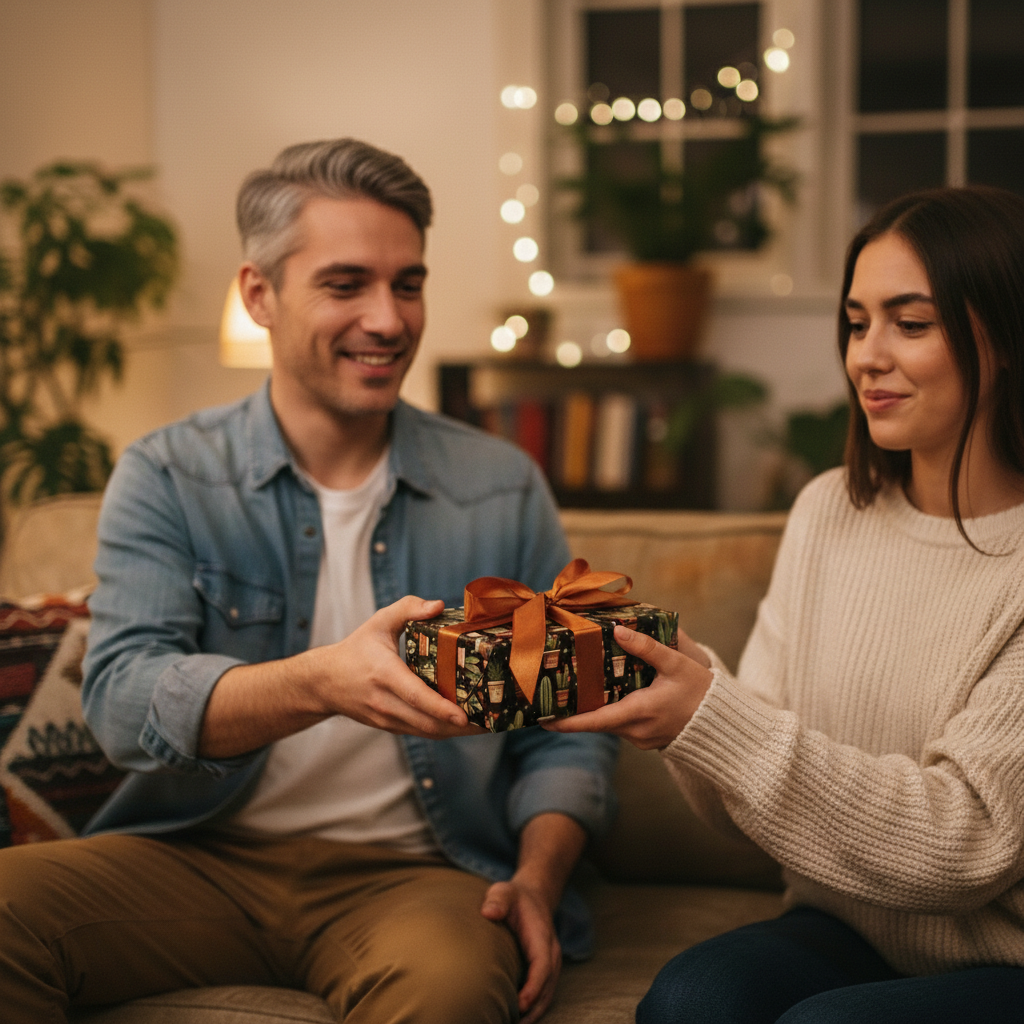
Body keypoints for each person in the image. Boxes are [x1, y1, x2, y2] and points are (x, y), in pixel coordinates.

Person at [0, 138, 617, 1024]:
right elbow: (123, 703)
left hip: (415, 876)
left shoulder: (498, 483)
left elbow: (567, 730)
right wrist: (317, 682)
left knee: (450, 992)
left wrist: (537, 877)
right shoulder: (169, 473)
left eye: (408, 284)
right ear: (260, 295)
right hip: (195, 855)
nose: (389, 319)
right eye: (345, 284)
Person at [548, 185, 1024, 1023]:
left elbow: (969, 843)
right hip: (847, 924)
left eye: (911, 324)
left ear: (1008, 338)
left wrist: (718, 716)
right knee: (687, 1002)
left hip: (1002, 952)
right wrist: (691, 700)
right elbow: (751, 806)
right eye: (856, 320)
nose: (867, 355)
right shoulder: (828, 512)